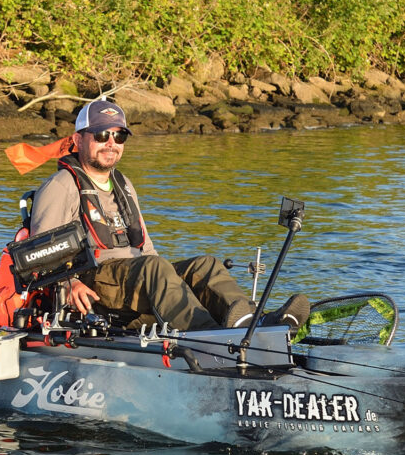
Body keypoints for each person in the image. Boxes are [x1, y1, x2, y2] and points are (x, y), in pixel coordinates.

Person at [29, 98, 308, 332]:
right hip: (95, 284)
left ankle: (254, 322)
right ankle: (212, 337)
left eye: (119, 135)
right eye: (102, 135)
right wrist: (70, 283)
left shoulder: (123, 184)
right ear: (78, 139)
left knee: (204, 265)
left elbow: (146, 247)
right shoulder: (61, 186)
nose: (111, 143)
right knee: (155, 269)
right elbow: (39, 257)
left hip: (136, 277)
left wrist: (175, 278)